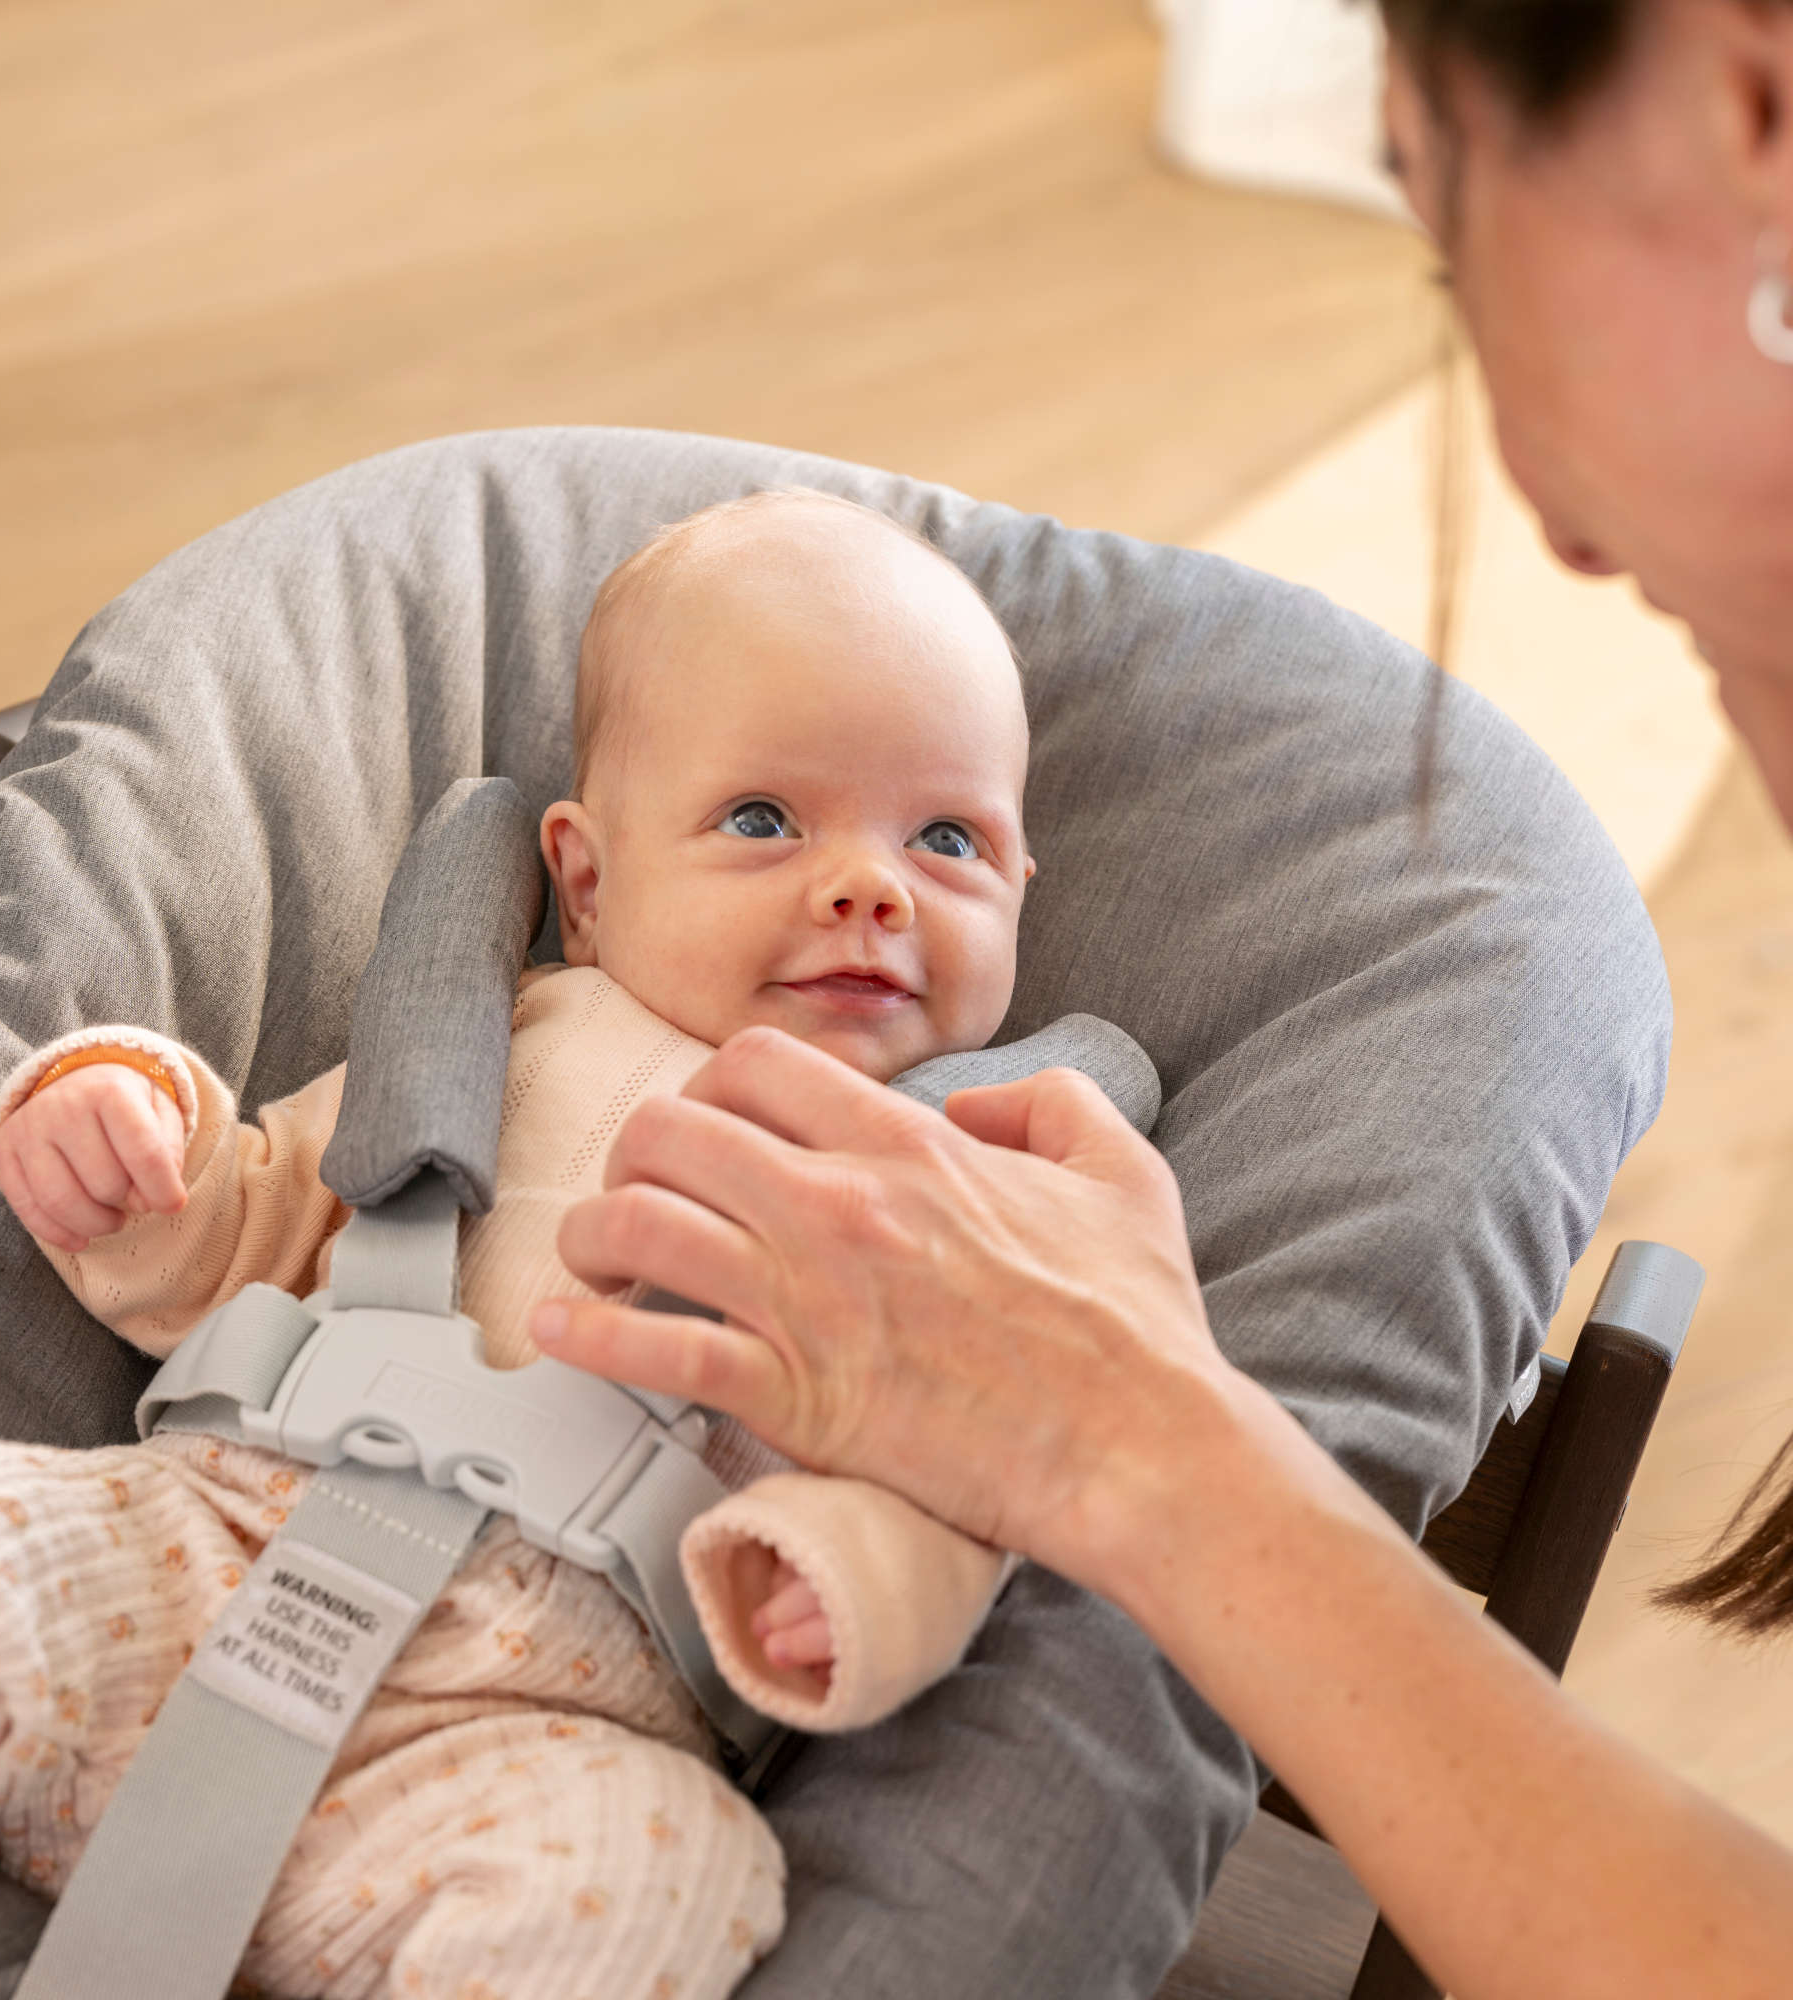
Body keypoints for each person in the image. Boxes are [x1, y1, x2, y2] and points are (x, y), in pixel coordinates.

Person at [525, 9, 1793, 1998]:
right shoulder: (489, 1038)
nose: (1541, 516)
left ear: (1752, 105)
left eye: (1462, 254)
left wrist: (1138, 1452)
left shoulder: (1056, 1127)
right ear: (577, 877)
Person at [0, 490, 1046, 2000]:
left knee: (676, 1880)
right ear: (585, 885)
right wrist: (128, 1138)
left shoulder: (955, 1210)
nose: (870, 883)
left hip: (525, 1739)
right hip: (193, 1571)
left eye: (951, 839)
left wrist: (833, 1586)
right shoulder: (509, 1040)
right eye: (764, 821)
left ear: (1020, 890)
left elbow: (955, 1506)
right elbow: (258, 1216)